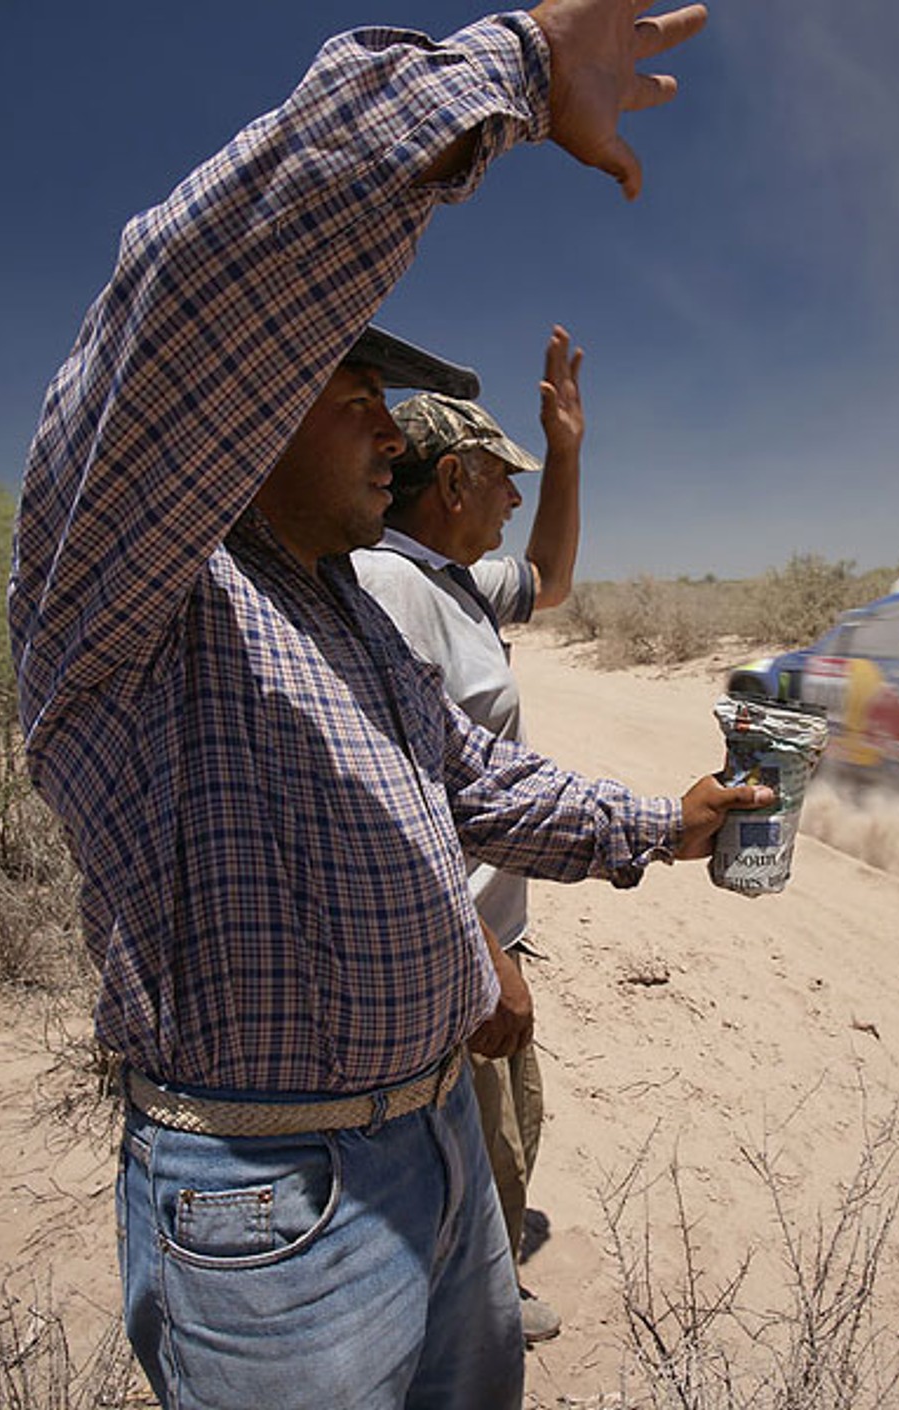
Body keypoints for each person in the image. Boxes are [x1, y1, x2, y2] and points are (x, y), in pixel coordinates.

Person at [7, 3, 747, 1407]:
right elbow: (196, 287)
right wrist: (514, 70)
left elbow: (474, 779)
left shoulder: (334, 610)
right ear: (253, 404)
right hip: (275, 1206)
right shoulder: (134, 589)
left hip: (436, 1149)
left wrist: (666, 820)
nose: (395, 433)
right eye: (357, 389)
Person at [352, 327, 584, 1346]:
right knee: (472, 1138)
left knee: (503, 1123)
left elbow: (550, 580)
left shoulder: (451, 581)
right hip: (448, 949)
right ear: (450, 479)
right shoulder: (389, 590)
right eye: (504, 479)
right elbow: (386, 793)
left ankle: (471, 1288)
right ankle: (471, 1317)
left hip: (485, 932)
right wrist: (481, 956)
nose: (514, 497)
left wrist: (565, 447)